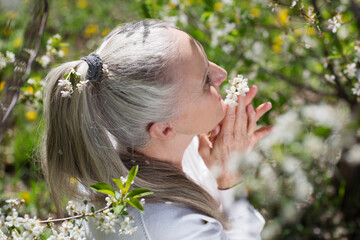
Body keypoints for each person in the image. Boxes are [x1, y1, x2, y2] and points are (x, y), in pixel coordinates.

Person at [41, 19, 273, 239]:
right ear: (164, 129)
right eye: (205, 81)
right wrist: (230, 182)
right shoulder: (166, 226)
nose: (221, 73)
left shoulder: (122, 134)